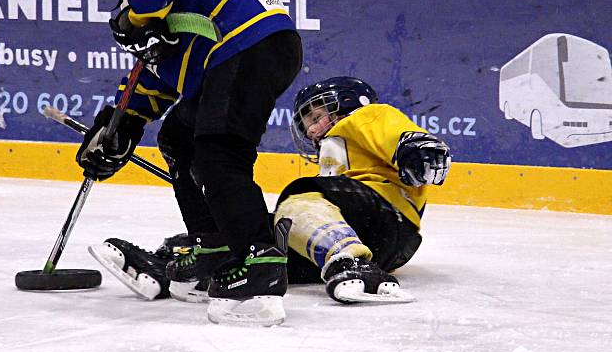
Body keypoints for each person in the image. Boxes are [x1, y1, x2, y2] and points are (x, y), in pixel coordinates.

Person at [69, 0, 303, 326]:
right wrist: (119, 125)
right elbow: (163, 70)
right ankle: (214, 246)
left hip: (246, 44)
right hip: (244, 48)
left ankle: (260, 267)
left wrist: (138, 21)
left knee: (218, 151)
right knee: (181, 136)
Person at [89, 75, 451, 305]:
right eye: (306, 121)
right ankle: (174, 270)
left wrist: (414, 148)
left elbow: (395, 133)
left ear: (349, 104)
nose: (312, 128)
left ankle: (351, 265)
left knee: (298, 200)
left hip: (386, 220)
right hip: (363, 234)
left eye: (318, 114)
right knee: (254, 237)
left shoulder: (365, 117)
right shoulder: (332, 158)